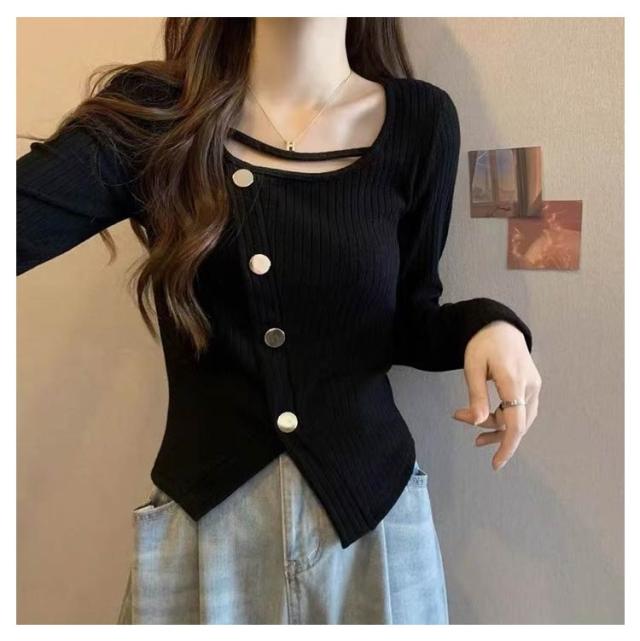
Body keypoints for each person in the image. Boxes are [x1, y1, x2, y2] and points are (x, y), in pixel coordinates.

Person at [17, 17, 542, 624]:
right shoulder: (158, 115)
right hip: (208, 529)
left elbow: (410, 317)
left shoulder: (422, 122)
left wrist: (490, 326)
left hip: (372, 523)